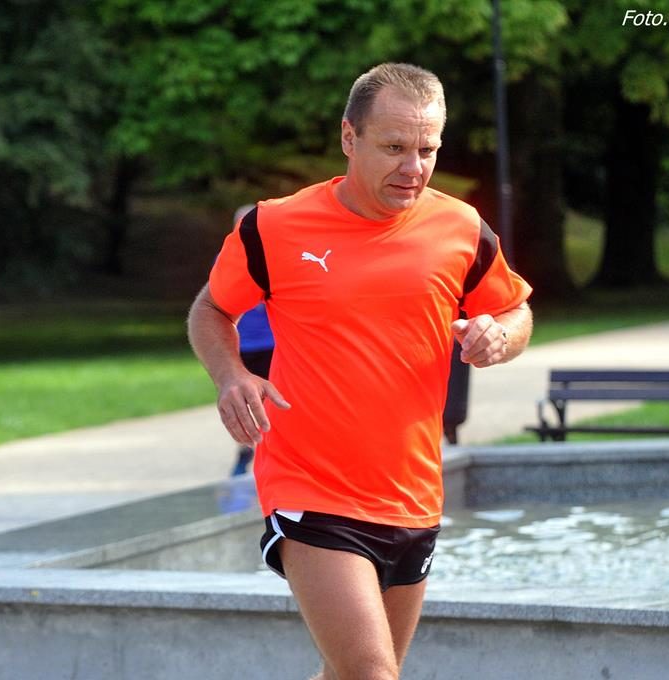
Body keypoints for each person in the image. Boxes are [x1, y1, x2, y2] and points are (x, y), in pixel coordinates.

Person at [188, 63, 533, 680]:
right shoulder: (274, 225)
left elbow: (515, 310)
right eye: (394, 147)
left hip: (413, 495)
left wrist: (500, 337)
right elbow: (212, 309)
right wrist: (231, 374)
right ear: (350, 137)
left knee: (348, 673)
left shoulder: (461, 228)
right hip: (309, 486)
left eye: (427, 149)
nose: (413, 168)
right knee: (372, 673)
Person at [231, 203, 275, 476]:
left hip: (272, 345)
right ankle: (244, 455)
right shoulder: (227, 259)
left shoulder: (271, 256)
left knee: (275, 404)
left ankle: (272, 456)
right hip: (242, 346)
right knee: (243, 403)